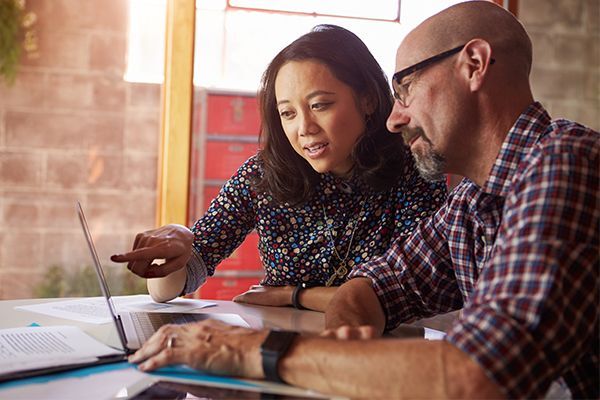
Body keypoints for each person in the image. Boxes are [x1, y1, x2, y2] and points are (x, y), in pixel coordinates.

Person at [126, 2, 599, 398]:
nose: (396, 119)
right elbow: (379, 285)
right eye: (288, 112)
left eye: (406, 88)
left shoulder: (564, 163)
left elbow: (478, 374)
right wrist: (343, 344)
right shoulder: (474, 198)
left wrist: (252, 349)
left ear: (474, 64)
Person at [111, 25, 446, 311]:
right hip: (281, 355)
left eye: (319, 105)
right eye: (288, 113)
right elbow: (168, 290)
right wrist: (180, 241)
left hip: (379, 360)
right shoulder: (263, 175)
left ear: (368, 99)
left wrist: (295, 296)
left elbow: (411, 293)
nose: (305, 128)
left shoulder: (414, 170)